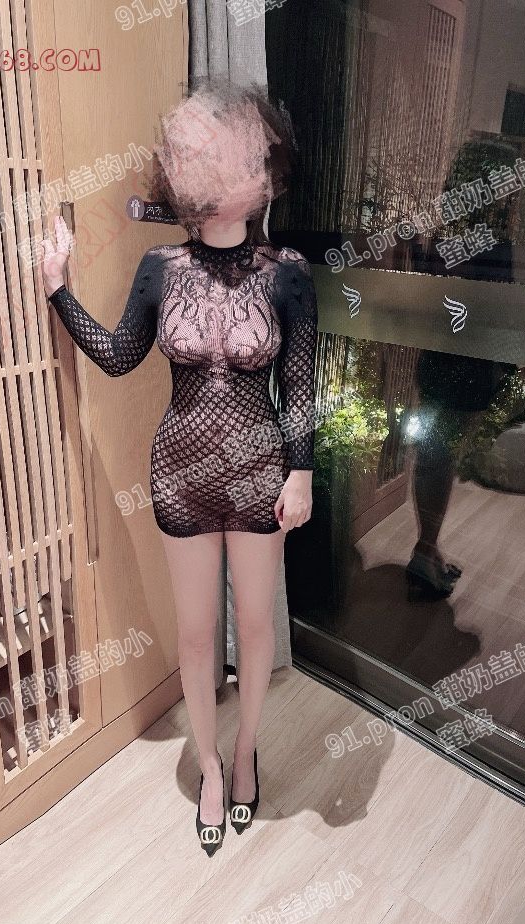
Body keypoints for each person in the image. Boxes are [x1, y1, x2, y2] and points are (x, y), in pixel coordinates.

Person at [39, 79, 318, 855]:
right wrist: (58, 288)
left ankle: (246, 749)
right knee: (196, 638)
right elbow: (119, 356)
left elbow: (300, 386)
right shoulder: (161, 267)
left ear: (264, 172)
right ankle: (210, 767)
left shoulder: (288, 271)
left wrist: (301, 472)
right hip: (181, 475)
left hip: (261, 473)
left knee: (254, 627)